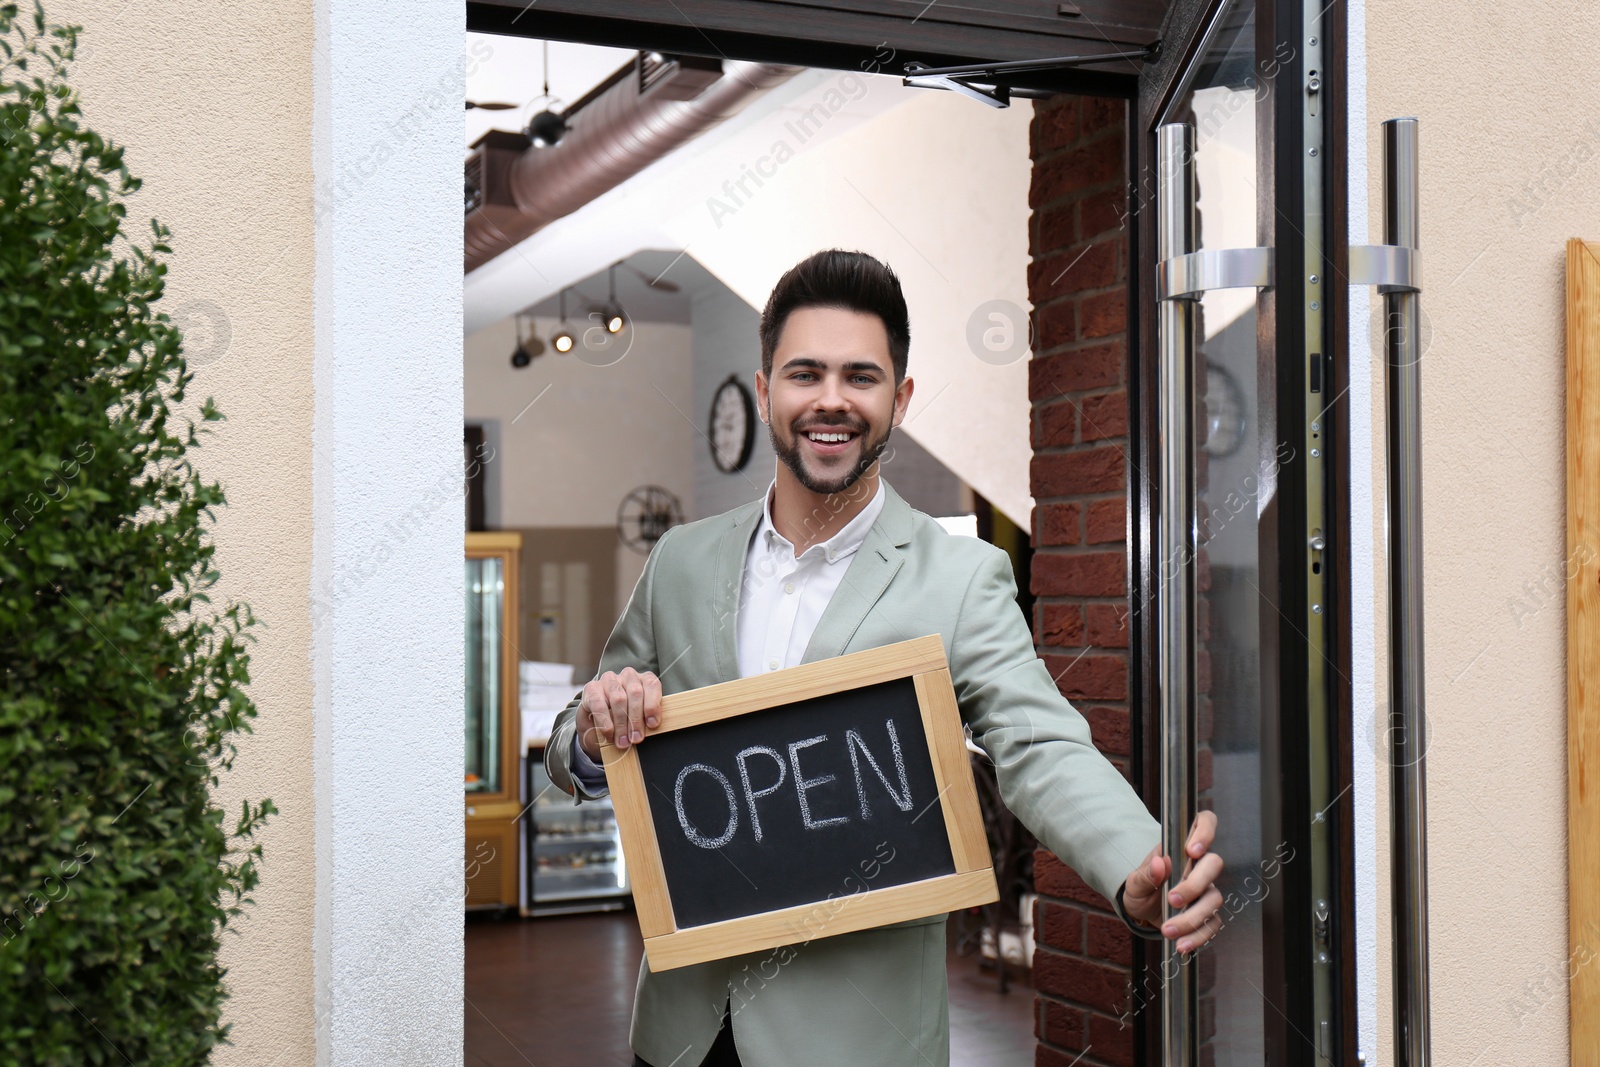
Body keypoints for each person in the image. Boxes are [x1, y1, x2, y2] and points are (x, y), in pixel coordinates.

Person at [545, 249, 1224, 1067]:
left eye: (860, 376)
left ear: (898, 400)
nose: (831, 400)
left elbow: (1039, 744)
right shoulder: (680, 562)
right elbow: (578, 730)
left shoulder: (963, 578)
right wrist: (589, 733)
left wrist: (1134, 862)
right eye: (805, 373)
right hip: (682, 1033)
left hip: (857, 1043)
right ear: (765, 391)